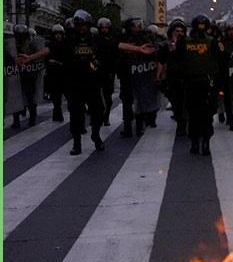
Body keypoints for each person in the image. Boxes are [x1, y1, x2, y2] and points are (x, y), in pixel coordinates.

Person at [17, 10, 156, 154]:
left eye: (84, 25)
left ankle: (96, 135)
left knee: (98, 112)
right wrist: (30, 58)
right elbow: (49, 50)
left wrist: (138, 49)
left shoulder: (96, 40)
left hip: (93, 84)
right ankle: (76, 144)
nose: (81, 27)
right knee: (76, 115)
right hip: (74, 84)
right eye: (79, 25)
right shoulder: (68, 41)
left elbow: (117, 45)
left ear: (89, 25)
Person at [176, 14, 218, 154]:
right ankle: (203, 143)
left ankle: (197, 142)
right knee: (205, 114)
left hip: (193, 83)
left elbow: (178, 62)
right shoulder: (212, 41)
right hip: (205, 83)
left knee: (194, 114)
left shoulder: (183, 42)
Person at [123, 18, 161, 136]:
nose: (136, 28)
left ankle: (141, 125)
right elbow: (117, 47)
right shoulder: (124, 38)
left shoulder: (148, 38)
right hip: (128, 75)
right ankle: (128, 127)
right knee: (128, 102)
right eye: (133, 26)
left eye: (138, 26)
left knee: (143, 99)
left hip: (144, 73)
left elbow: (158, 48)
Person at [157, 18, 188, 136]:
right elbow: (161, 61)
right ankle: (180, 120)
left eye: (181, 31)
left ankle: (183, 124)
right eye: (176, 31)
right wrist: (158, 76)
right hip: (172, 77)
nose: (179, 33)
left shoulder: (187, 44)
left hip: (185, 77)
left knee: (185, 102)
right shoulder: (166, 45)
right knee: (175, 102)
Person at [12, 24, 46, 127]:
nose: (20, 37)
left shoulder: (31, 45)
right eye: (19, 35)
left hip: (29, 75)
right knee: (16, 98)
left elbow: (38, 57)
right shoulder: (12, 45)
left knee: (30, 97)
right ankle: (16, 120)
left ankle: (32, 117)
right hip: (16, 75)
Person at [95, 18, 119, 126]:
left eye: (106, 28)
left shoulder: (112, 40)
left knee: (108, 97)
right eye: (102, 28)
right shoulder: (95, 39)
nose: (104, 29)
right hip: (96, 71)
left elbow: (116, 56)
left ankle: (106, 117)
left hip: (109, 72)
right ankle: (98, 116)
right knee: (96, 97)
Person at [45, 24, 70, 122]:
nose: (58, 36)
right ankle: (57, 114)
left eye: (60, 34)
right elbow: (46, 59)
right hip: (53, 75)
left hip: (64, 75)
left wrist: (57, 62)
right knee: (56, 98)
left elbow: (68, 60)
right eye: (56, 34)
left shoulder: (66, 45)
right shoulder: (49, 45)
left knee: (69, 96)